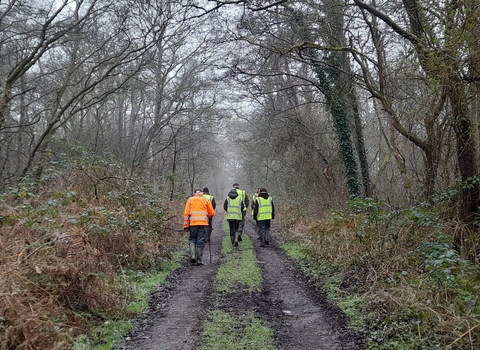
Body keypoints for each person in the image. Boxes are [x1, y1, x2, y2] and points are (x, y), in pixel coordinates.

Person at [183, 188, 215, 265]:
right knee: (200, 240)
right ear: (202, 193)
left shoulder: (190, 200)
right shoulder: (206, 200)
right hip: (203, 224)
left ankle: (193, 255)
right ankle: (199, 260)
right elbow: (212, 213)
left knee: (192, 239)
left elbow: (186, 214)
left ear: (194, 194)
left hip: (193, 224)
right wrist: (207, 216)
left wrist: (186, 225)